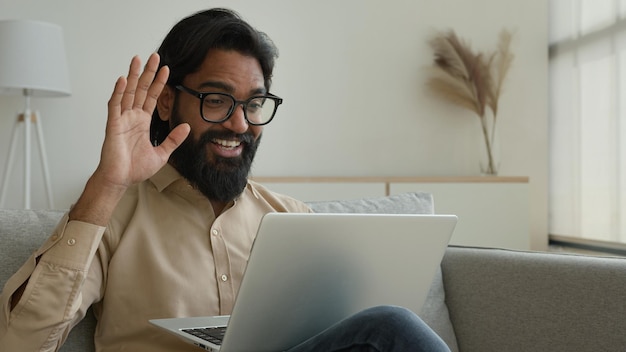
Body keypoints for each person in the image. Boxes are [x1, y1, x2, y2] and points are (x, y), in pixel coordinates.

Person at [0, 8, 450, 352]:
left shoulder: (291, 219)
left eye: (254, 104)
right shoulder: (113, 211)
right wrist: (106, 183)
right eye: (217, 100)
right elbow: (19, 341)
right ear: (166, 102)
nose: (239, 125)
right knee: (391, 326)